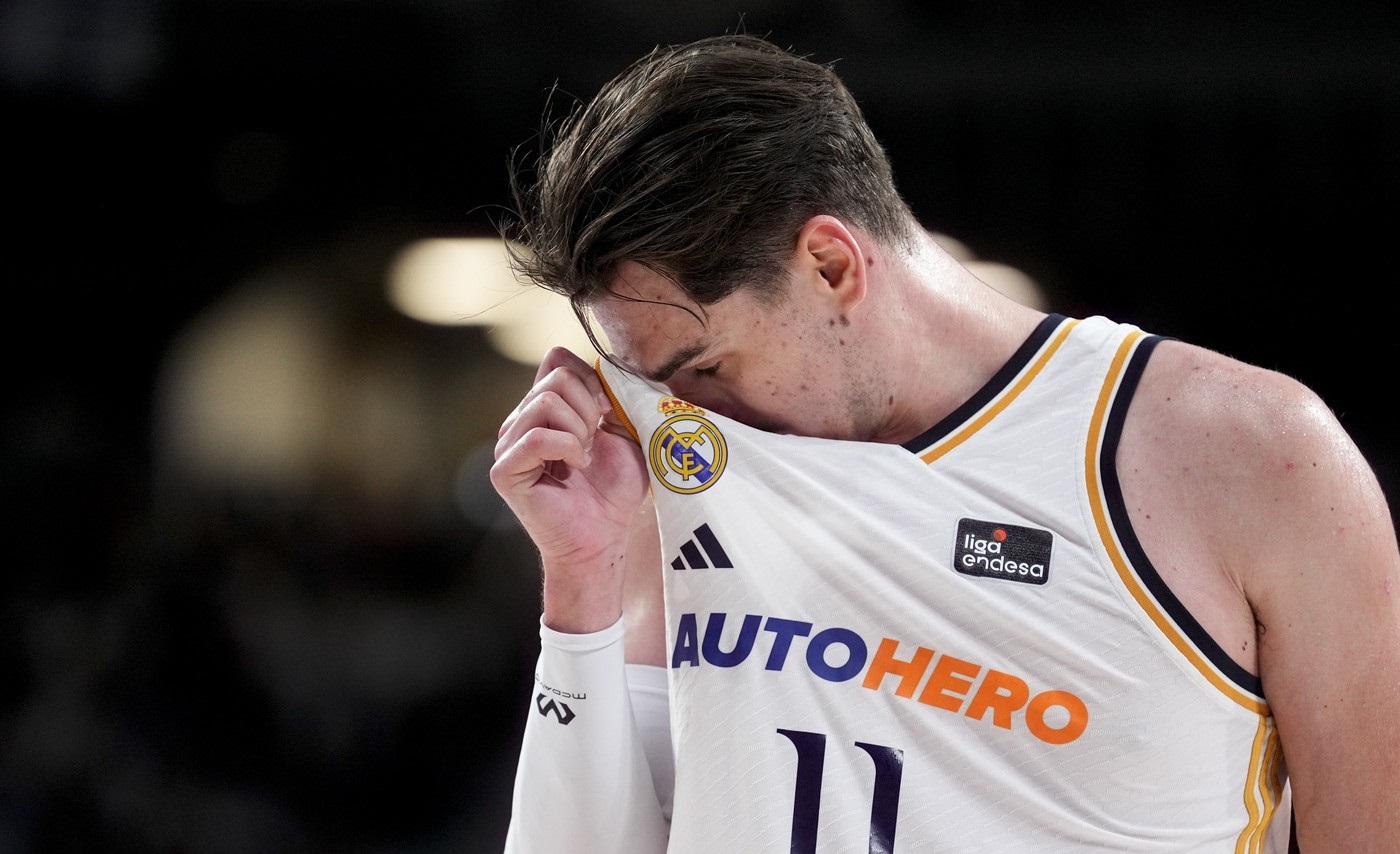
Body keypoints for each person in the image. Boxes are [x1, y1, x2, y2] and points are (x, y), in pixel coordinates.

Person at [489, 34, 1400, 853]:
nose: (693, 416)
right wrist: (580, 578)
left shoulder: (1250, 456)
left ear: (832, 264)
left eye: (708, 366)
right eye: (662, 385)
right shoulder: (689, 476)